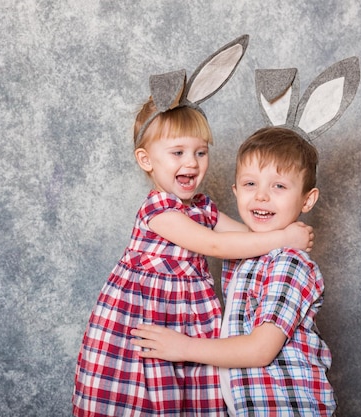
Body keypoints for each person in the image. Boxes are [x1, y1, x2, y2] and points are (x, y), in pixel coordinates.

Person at [72, 98, 315, 415]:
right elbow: (215, 245)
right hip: (145, 318)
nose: (192, 162)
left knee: (185, 398)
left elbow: (247, 236)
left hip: (190, 320)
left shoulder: (201, 206)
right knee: (141, 398)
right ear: (146, 160)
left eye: (201, 152)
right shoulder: (158, 209)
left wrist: (281, 237)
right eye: (178, 153)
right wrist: (283, 237)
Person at [131, 126, 336, 416]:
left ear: (307, 199)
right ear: (236, 191)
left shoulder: (289, 264)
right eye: (250, 184)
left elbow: (260, 350)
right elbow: (224, 242)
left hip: (288, 407)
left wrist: (185, 348)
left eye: (278, 186)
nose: (262, 196)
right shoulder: (251, 255)